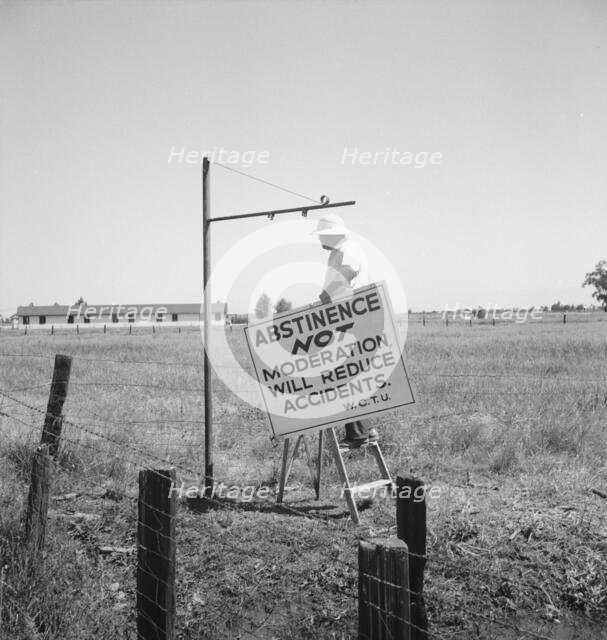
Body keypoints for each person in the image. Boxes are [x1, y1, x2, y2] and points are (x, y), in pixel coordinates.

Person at [311, 213, 378, 448]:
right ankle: (366, 430)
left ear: (332, 233)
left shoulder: (348, 247)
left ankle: (358, 433)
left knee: (347, 372)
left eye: (322, 235)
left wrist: (326, 295)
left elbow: (349, 271)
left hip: (350, 313)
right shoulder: (337, 250)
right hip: (347, 313)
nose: (319, 240)